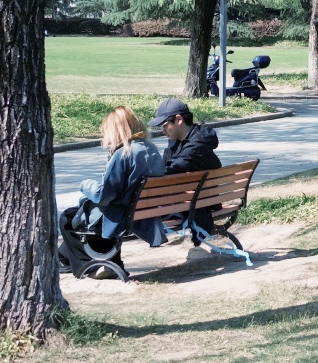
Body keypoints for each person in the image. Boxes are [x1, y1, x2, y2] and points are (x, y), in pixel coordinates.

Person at [58, 106, 167, 277]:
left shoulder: (124, 153)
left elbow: (103, 196)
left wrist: (85, 184)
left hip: (121, 216)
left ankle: (90, 267)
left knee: (68, 218)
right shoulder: (151, 149)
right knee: (82, 215)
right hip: (142, 214)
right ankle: (66, 257)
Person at [150, 97, 222, 243]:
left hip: (196, 204)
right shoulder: (185, 141)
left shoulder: (194, 148)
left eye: (165, 125)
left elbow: (165, 174)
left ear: (179, 120)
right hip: (200, 201)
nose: (163, 131)